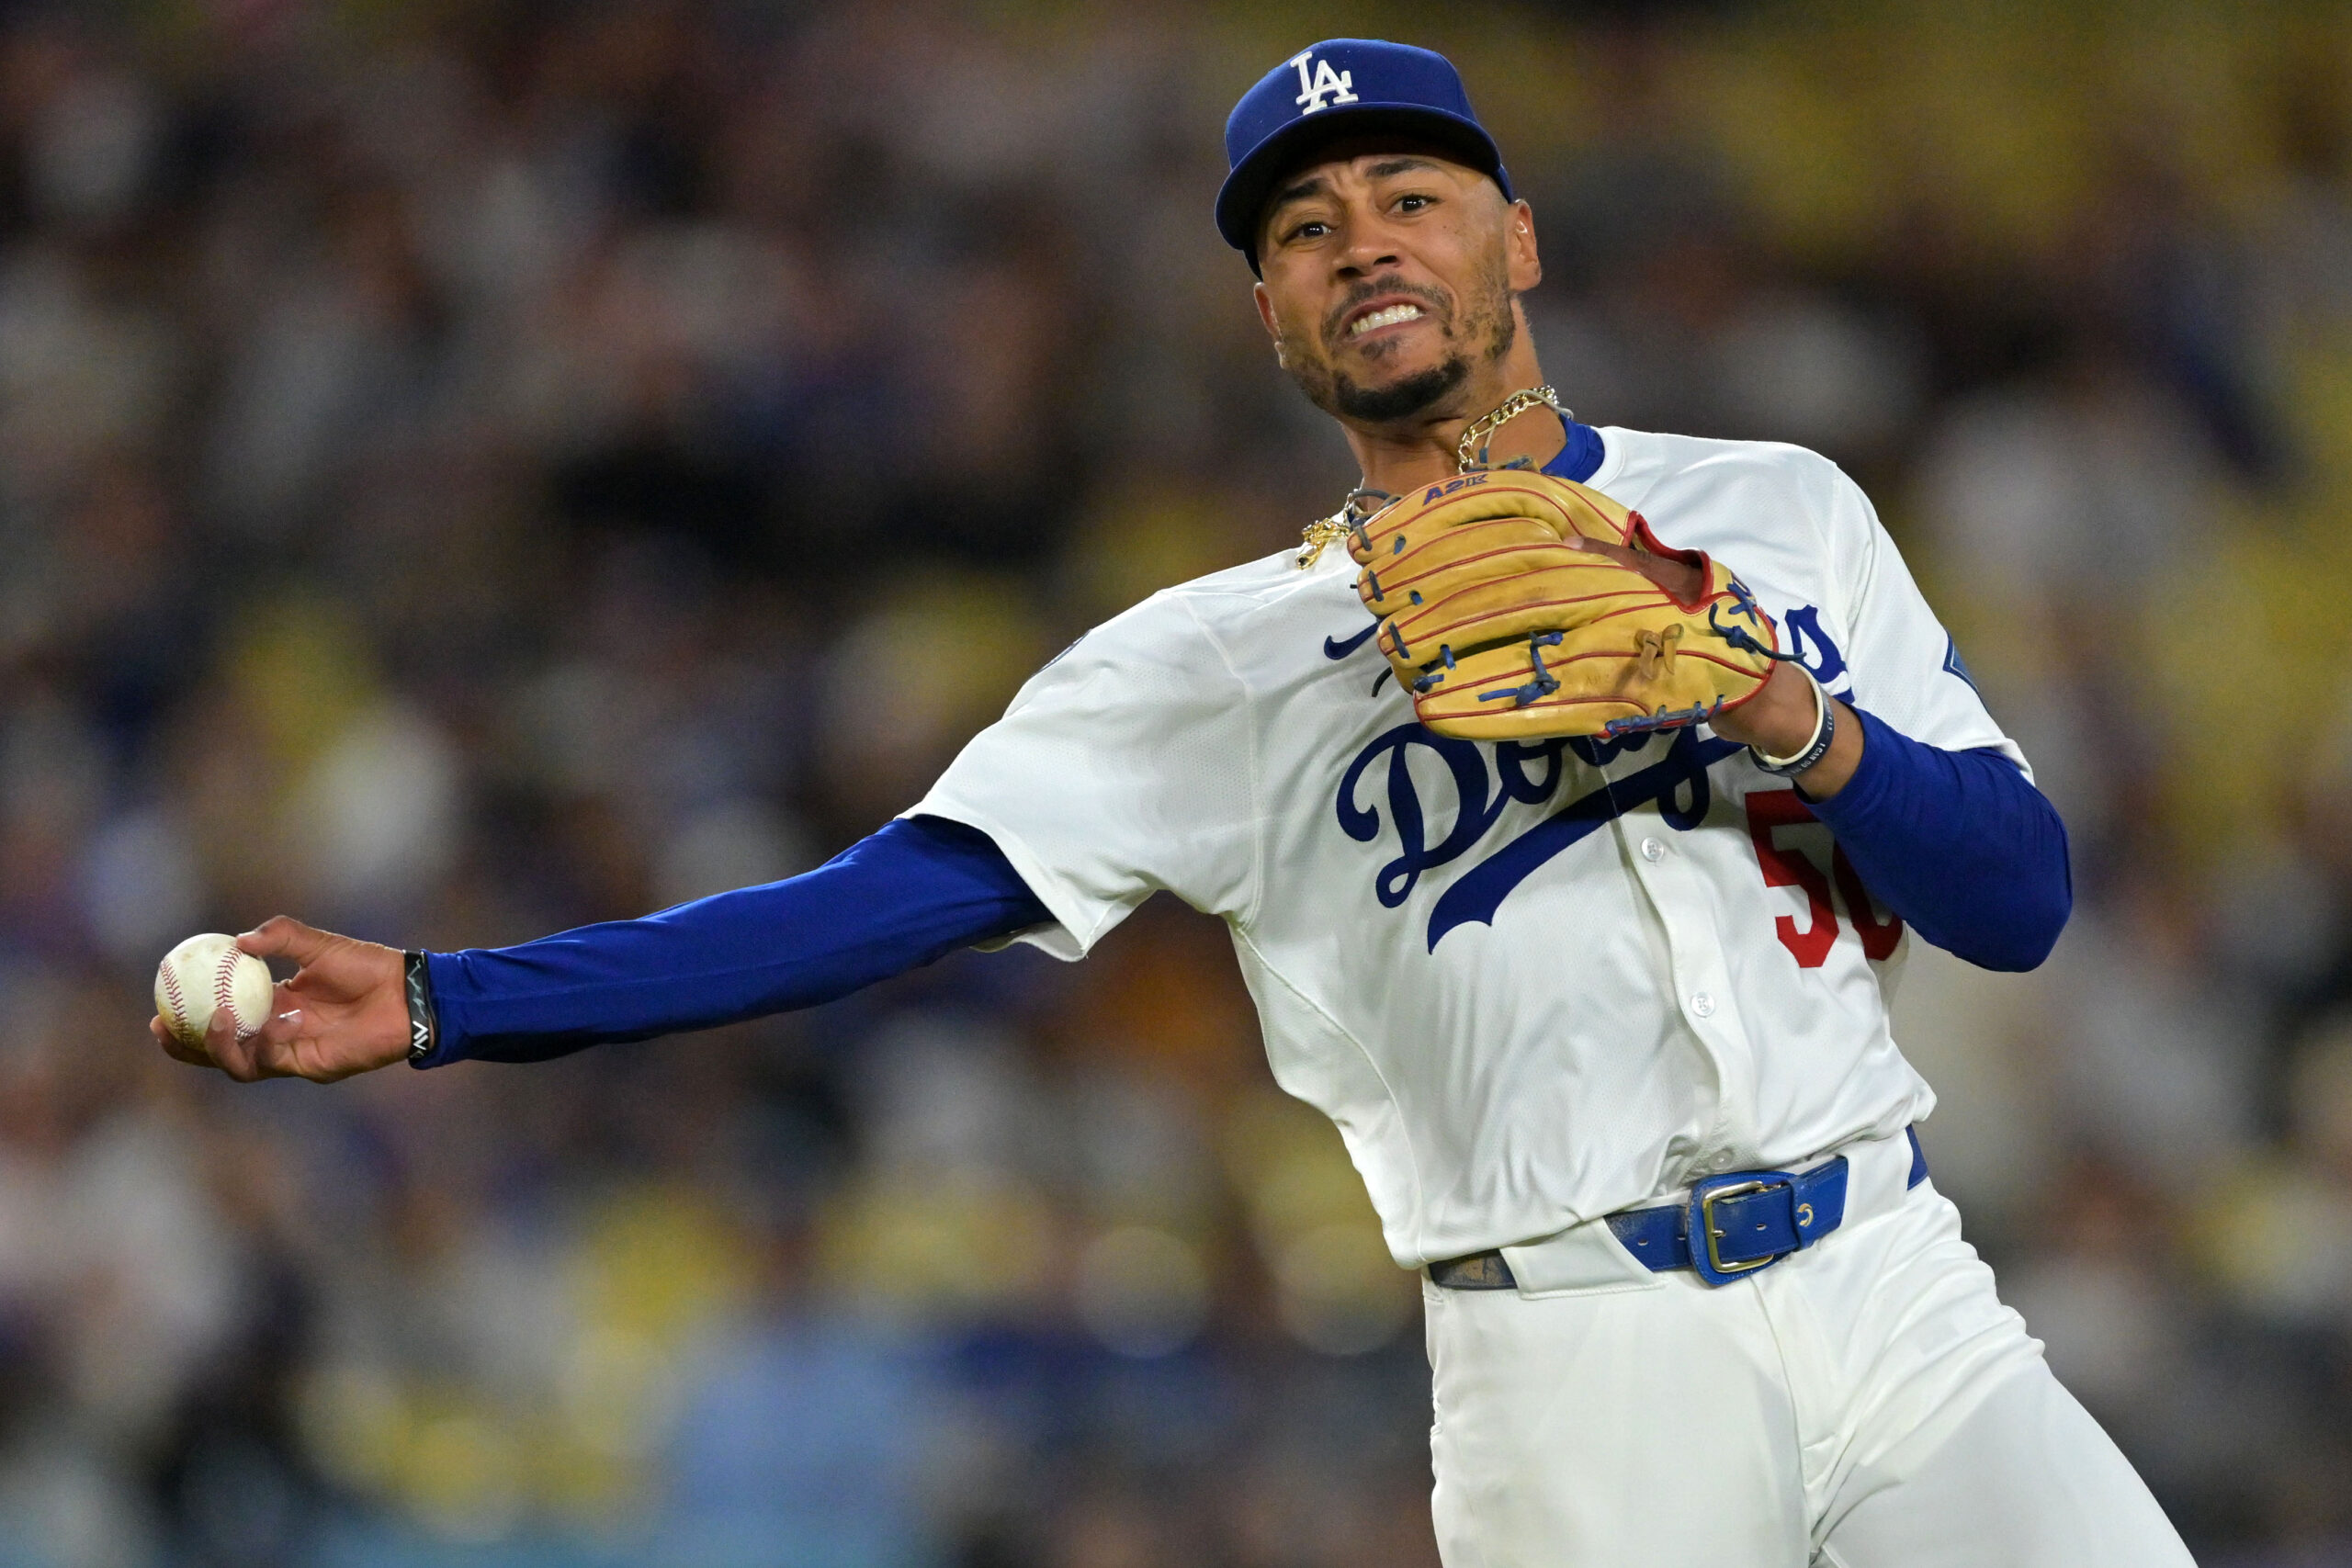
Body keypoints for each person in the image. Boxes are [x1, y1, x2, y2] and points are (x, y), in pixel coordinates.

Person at [153, 38, 2192, 1567]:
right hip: (1580, 1359)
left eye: (1407, 192)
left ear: (1516, 236)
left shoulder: (1774, 513)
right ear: (1271, 319)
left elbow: (2015, 896)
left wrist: (1770, 703)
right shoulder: (1208, 661)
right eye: (1304, 230)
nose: (1360, 241)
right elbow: (869, 904)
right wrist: (445, 997)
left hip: (1892, 1279)